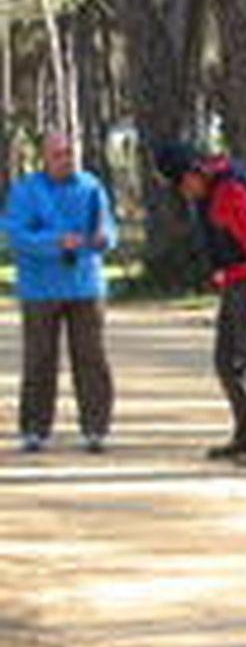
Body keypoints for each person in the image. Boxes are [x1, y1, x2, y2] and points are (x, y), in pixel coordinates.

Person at [151, 141, 246, 467]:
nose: (184, 193)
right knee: (227, 361)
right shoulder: (209, 191)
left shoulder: (229, 190)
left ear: (194, 173)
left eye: (182, 185)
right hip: (235, 283)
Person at [3, 131, 117, 453]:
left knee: (91, 358)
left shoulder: (91, 186)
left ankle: (96, 428)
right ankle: (35, 429)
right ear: (44, 156)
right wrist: (56, 242)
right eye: (58, 154)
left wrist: (103, 238)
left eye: (69, 153)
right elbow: (15, 235)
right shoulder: (26, 191)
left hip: (86, 286)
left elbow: (109, 228)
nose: (65, 160)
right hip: (40, 289)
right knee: (39, 359)